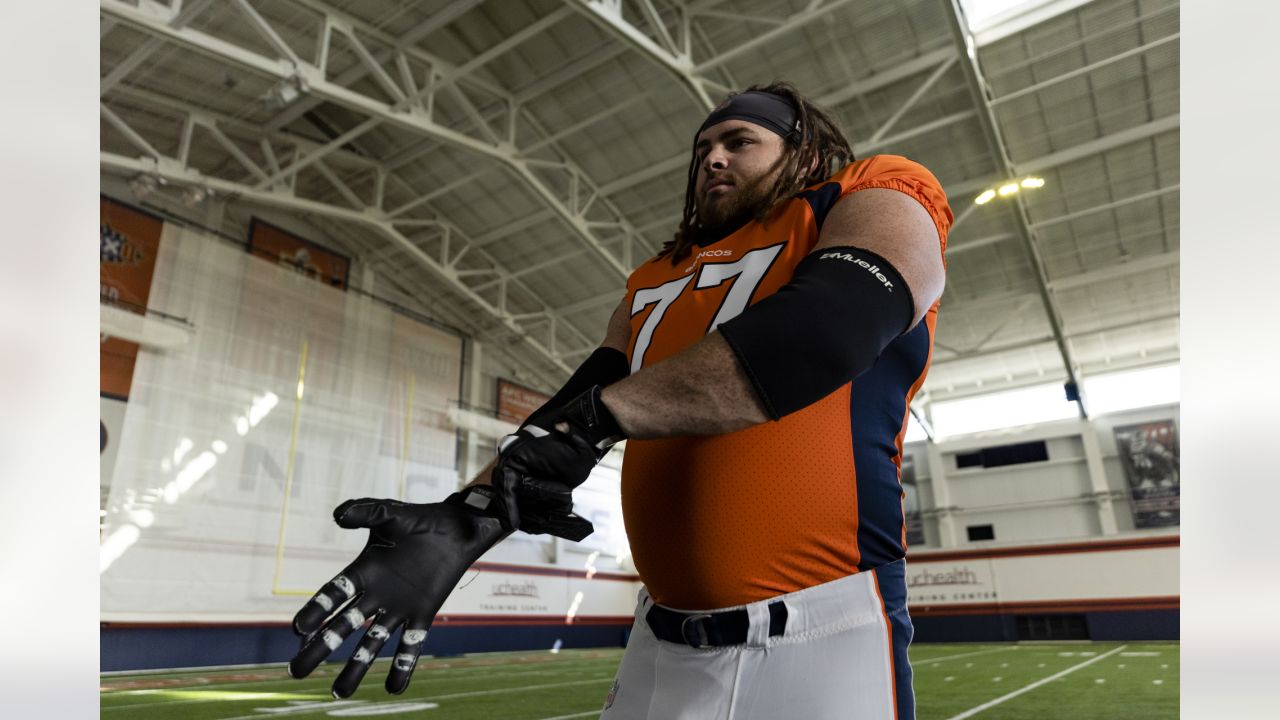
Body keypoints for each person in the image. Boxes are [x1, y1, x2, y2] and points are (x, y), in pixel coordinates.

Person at [286, 82, 952, 720]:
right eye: (701, 150)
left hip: (819, 635)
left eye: (738, 141)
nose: (712, 158)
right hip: (659, 644)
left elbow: (828, 329)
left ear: (802, 153)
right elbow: (575, 406)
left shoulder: (869, 191)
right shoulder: (655, 280)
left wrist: (597, 419)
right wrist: (470, 517)